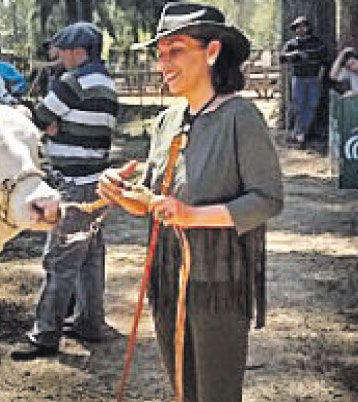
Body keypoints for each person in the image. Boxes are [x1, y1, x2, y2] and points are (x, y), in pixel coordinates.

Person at [98, 3, 283, 401]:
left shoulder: (241, 116)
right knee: (183, 392)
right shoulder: (166, 122)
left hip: (218, 283)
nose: (163, 63)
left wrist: (193, 215)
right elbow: (154, 202)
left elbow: (267, 200)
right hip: (168, 281)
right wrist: (123, 193)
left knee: (215, 395)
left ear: (212, 51)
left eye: (176, 50)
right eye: (160, 54)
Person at [11, 21, 119, 360]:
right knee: (89, 257)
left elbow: (39, 119)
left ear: (80, 52)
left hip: (72, 185)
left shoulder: (72, 83)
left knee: (60, 259)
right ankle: (89, 321)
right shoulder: (106, 83)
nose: (57, 56)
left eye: (63, 50)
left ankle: (45, 334)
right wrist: (58, 125)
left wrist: (49, 126)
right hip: (97, 182)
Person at [280, 16, 328, 146]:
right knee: (299, 106)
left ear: (308, 27)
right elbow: (282, 58)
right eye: (297, 27)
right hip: (298, 78)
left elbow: (324, 61)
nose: (300, 29)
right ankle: (299, 135)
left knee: (312, 105)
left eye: (302, 26)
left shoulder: (317, 42)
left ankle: (299, 132)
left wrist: (320, 76)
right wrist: (295, 54)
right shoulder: (291, 44)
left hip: (314, 78)